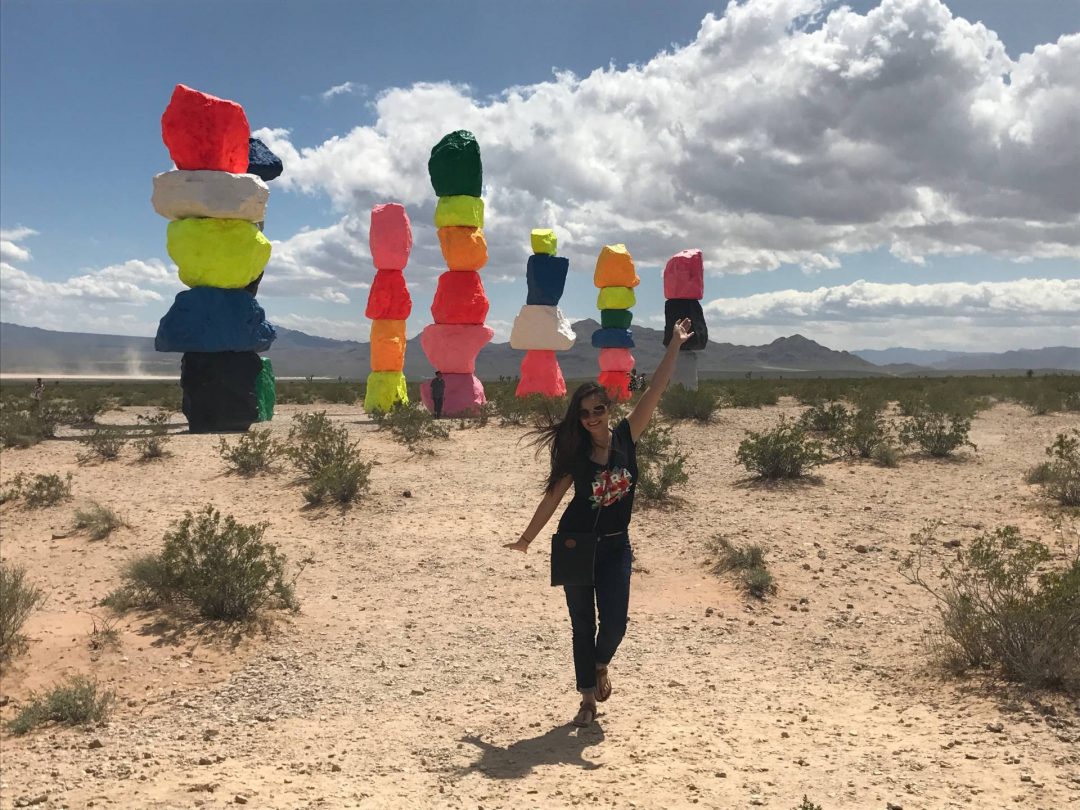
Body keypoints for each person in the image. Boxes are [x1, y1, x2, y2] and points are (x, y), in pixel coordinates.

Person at [506, 318, 695, 727]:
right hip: (576, 545)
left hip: (614, 546)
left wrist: (675, 344)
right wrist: (526, 539)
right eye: (585, 412)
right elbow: (552, 498)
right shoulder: (575, 455)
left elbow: (657, 388)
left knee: (614, 624)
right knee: (581, 626)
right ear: (578, 418)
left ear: (609, 409)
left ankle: (601, 663)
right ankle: (587, 699)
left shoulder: (628, 436)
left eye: (599, 409)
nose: (592, 417)